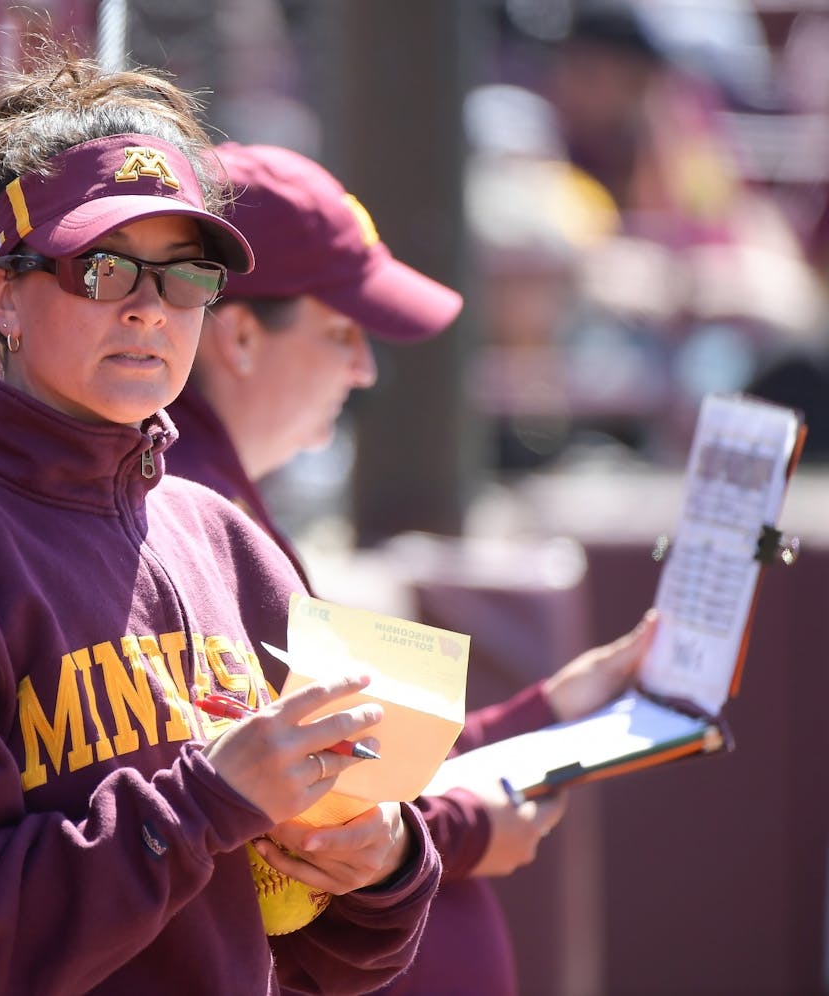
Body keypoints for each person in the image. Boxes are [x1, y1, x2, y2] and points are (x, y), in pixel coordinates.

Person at [0, 52, 441, 995]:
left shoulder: (225, 538)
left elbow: (337, 960)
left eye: (186, 277)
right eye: (103, 268)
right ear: (0, 293)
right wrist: (205, 802)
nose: (148, 310)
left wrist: (385, 863)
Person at [165, 141, 659, 995]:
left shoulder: (224, 497)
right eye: (341, 331)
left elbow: (368, 761)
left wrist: (553, 709)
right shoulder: (181, 507)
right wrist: (464, 827)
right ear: (239, 333)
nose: (364, 367)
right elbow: (286, 824)